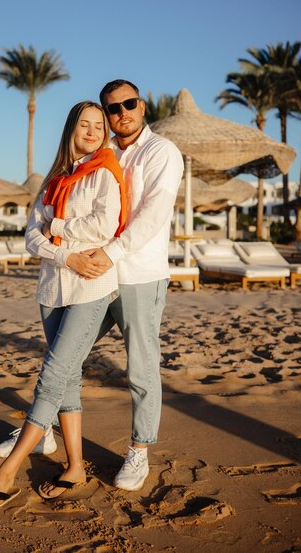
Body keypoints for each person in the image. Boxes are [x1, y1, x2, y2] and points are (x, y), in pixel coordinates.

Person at [0, 100, 127, 512]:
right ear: (71, 129)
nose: (92, 131)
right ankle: (74, 467)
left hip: (91, 288)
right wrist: (66, 254)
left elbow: (103, 226)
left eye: (98, 125)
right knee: (67, 379)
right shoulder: (55, 177)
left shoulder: (106, 173)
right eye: (84, 124)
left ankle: (9, 471)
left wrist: (55, 226)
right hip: (53, 288)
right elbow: (29, 238)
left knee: (52, 375)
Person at [75, 79, 184, 491]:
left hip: (138, 274)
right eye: (113, 108)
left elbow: (153, 214)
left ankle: (139, 450)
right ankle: (44, 427)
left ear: (143, 106)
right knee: (68, 353)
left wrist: (112, 253)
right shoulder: (102, 154)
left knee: (141, 367)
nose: (122, 112)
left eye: (129, 103)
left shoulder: (162, 152)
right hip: (96, 273)